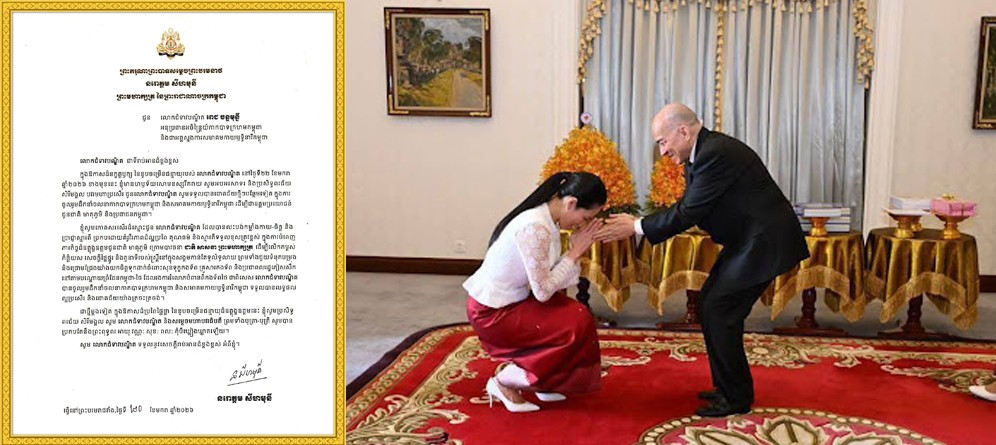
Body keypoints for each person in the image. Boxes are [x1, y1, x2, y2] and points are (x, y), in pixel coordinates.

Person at [595, 104, 809, 417]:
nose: (663, 151)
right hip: (749, 240)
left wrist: (637, 226)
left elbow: (689, 211)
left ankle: (735, 397)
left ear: (683, 131)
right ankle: (729, 388)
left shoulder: (714, 153)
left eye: (663, 142)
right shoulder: (703, 153)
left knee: (719, 309)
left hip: (764, 242)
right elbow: (694, 206)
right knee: (712, 304)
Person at [463, 171, 606, 413]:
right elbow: (543, 292)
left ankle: (545, 379)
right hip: (491, 313)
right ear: (571, 203)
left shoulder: (546, 219)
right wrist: (575, 252)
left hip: (511, 302)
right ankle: (505, 381)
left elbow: (550, 281)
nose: (582, 224)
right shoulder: (535, 227)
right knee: (574, 322)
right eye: (586, 217)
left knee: (574, 313)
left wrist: (574, 251)